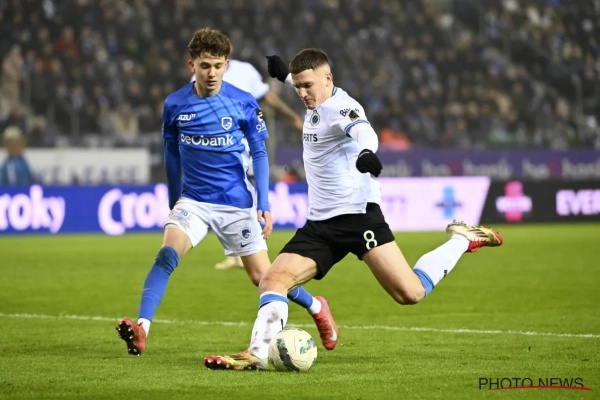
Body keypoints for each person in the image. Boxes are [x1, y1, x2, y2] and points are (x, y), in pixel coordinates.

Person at [203, 49, 503, 370]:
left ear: (328, 79)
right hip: (320, 224)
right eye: (298, 86)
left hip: (358, 218)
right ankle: (257, 353)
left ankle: (462, 238)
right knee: (272, 280)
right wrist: (285, 77)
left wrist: (366, 153)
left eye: (307, 86)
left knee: (410, 293)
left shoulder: (342, 107)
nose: (302, 93)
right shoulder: (315, 96)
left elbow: (363, 130)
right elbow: (304, 82)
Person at [116, 32, 339, 356]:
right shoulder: (175, 104)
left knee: (263, 277)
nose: (211, 73)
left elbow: (259, 153)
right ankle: (141, 329)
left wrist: (264, 203)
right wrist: (174, 201)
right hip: (193, 201)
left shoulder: (242, 101)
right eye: (205, 65)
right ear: (191, 65)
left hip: (236, 204)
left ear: (226, 65)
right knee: (166, 256)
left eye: (218, 66)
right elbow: (171, 154)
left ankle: (317, 306)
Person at [190, 38, 305, 271]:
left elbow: (268, 97)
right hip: (216, 146)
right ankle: (238, 252)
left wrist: (292, 116)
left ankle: (252, 248)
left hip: (245, 143)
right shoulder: (199, 76)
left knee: (246, 190)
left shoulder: (245, 71)